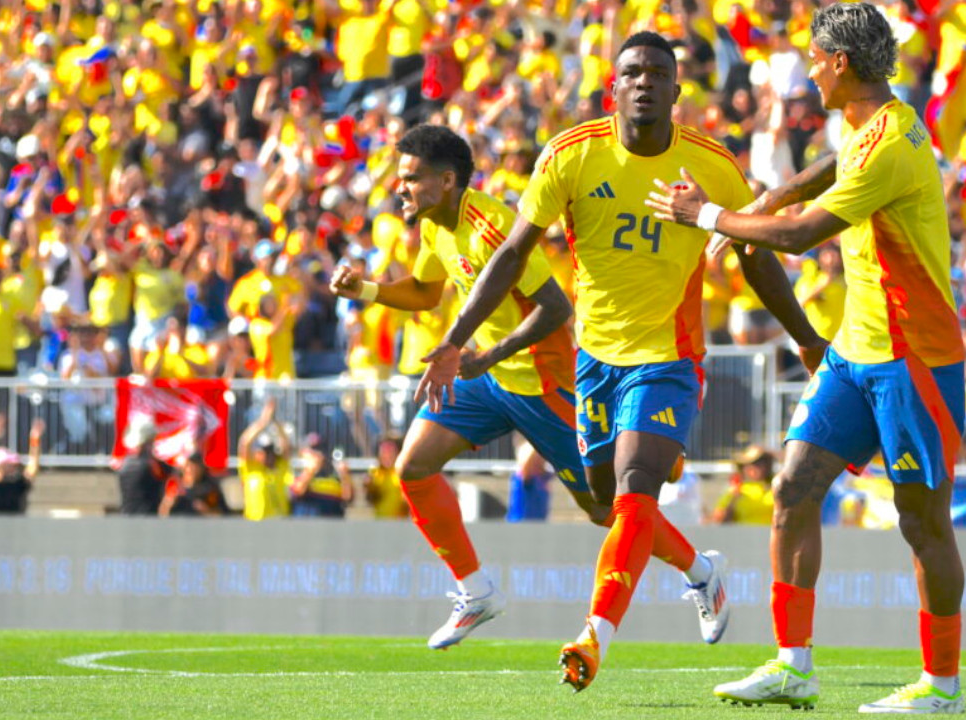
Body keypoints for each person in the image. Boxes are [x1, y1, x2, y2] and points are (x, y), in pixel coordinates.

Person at [417, 33, 826, 690]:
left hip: (669, 357)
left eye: (657, 73)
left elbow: (754, 258)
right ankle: (703, 572)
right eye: (631, 72)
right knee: (608, 504)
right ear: (614, 88)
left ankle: (593, 636)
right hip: (595, 360)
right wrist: (456, 337)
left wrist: (804, 337)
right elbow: (515, 254)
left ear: (676, 89)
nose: (643, 82)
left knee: (638, 486)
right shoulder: (570, 157)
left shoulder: (712, 165)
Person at [330, 121, 762, 654]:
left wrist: (483, 355)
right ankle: (475, 590)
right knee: (413, 467)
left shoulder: (491, 226)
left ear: (446, 181)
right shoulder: (434, 226)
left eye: (411, 178)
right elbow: (424, 291)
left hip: (542, 383)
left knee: (607, 508)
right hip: (487, 380)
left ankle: (701, 572)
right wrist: (368, 290)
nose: (401, 188)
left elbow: (555, 310)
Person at [647, 5, 966, 712]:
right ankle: (795, 666)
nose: (809, 71)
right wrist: (779, 189)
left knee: (922, 521)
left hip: (914, 359)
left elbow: (800, 237)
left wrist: (709, 216)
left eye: (815, 59)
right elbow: (826, 171)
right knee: (792, 488)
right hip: (856, 349)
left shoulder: (893, 143)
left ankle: (942, 687)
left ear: (841, 63)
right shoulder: (869, 122)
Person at [237, 397, 292, 521]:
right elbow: (245, 443)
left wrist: (276, 423)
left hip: (278, 522)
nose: (268, 456)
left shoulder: (280, 467)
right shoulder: (251, 469)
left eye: (270, 452)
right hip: (255, 522)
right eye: (264, 452)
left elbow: (286, 446)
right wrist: (263, 421)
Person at [117, 416, 176, 516]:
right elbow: (170, 473)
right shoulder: (151, 465)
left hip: (127, 517)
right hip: (148, 520)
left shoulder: (124, 464)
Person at [711, 445, 776, 525]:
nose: (754, 468)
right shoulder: (736, 489)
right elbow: (718, 521)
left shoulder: (776, 487)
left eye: (759, 463)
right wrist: (732, 500)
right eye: (750, 463)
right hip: (743, 536)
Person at [159, 453, 228, 517]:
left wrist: (206, 511)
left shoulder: (210, 488)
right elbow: (162, 513)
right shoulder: (174, 485)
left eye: (195, 467)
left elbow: (221, 515)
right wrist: (169, 503)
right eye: (188, 466)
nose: (191, 470)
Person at [0, 419, 43, 514]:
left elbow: (33, 465)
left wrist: (34, 439)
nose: (12, 467)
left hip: (17, 526)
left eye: (13, 465)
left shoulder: (18, 482)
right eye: (8, 464)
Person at [363, 435, 409, 519]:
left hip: (401, 524)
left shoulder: (402, 472)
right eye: (384, 452)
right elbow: (370, 499)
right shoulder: (375, 472)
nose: (387, 455)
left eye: (390, 452)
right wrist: (368, 486)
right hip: (381, 523)